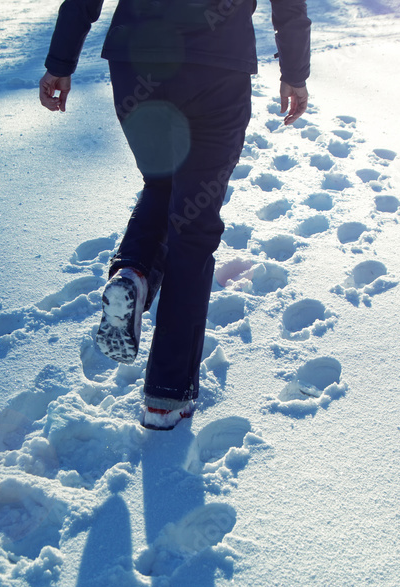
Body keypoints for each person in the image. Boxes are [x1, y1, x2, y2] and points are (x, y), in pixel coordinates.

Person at [39, 0, 310, 429]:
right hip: (217, 70)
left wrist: (60, 62)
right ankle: (166, 396)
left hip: (136, 64)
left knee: (163, 183)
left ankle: (134, 272)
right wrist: (295, 73)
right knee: (193, 229)